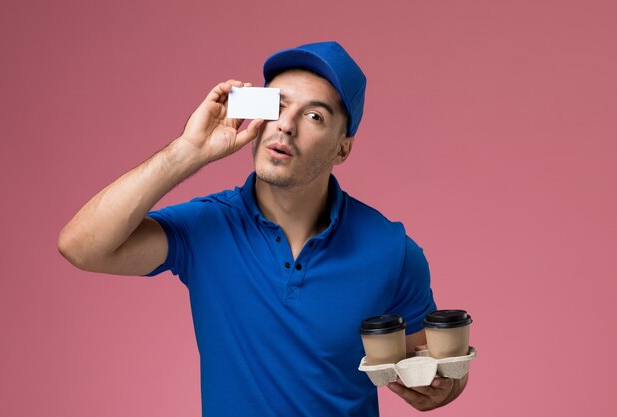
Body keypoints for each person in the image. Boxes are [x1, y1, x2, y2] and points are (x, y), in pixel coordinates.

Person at [58, 41, 468, 416]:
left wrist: (447, 387)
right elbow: (81, 246)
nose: (286, 125)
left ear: (342, 147)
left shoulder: (392, 250)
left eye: (313, 115)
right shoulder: (206, 226)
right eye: (276, 106)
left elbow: (432, 364)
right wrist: (187, 152)